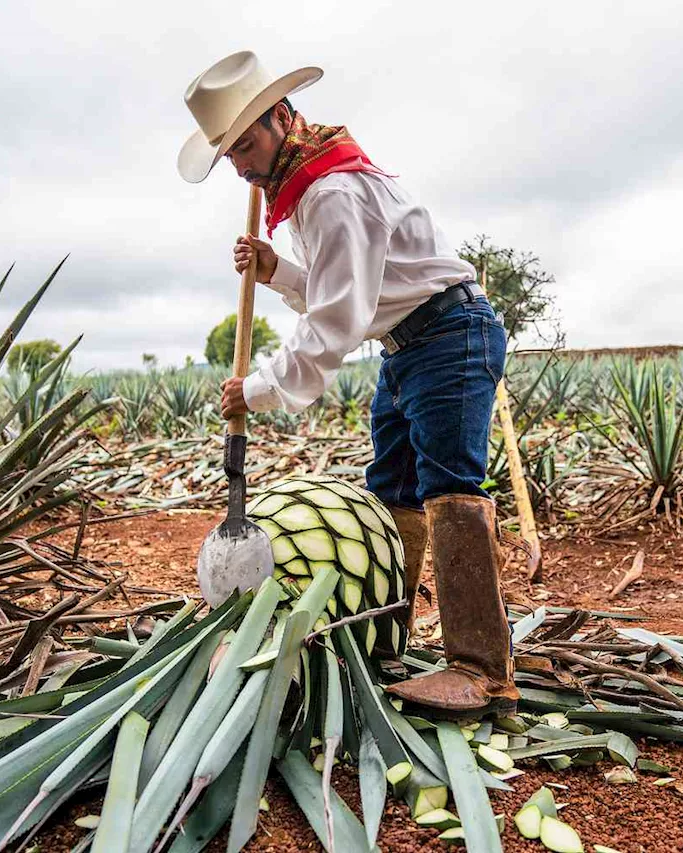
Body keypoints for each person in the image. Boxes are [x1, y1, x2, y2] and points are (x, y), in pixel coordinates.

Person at [178, 51, 517, 719]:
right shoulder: (309, 186)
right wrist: (277, 269)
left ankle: (482, 671)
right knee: (394, 487)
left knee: (449, 484)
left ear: (283, 115)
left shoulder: (329, 193)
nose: (244, 165)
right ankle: (387, 635)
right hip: (409, 342)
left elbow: (337, 322)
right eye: (232, 156)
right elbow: (354, 296)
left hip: (449, 335)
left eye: (249, 143)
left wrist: (257, 388)